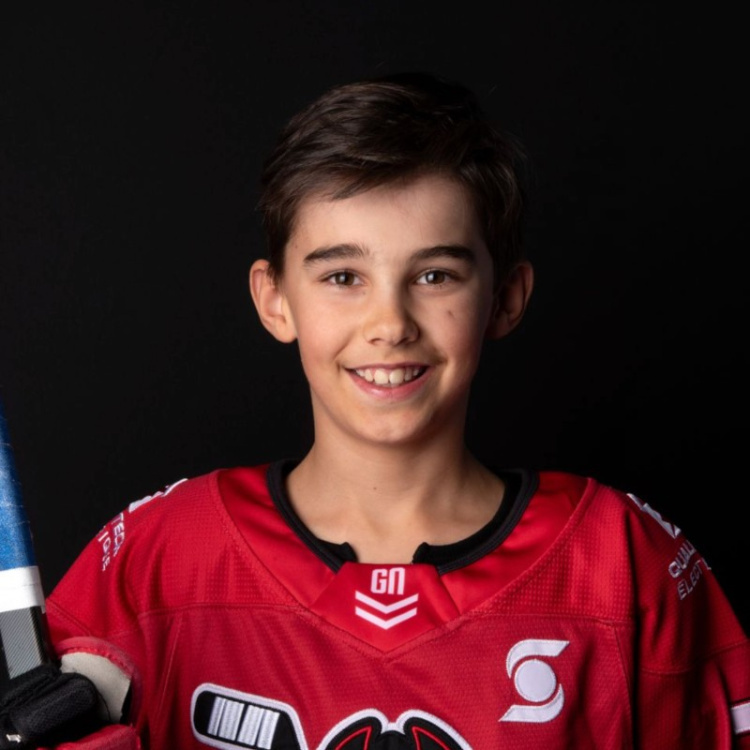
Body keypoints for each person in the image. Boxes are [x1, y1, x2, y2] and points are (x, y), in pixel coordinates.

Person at [3, 71, 748, 749]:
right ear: (275, 299)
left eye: (434, 274)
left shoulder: (623, 565)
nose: (390, 324)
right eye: (342, 277)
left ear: (505, 298)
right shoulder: (159, 560)